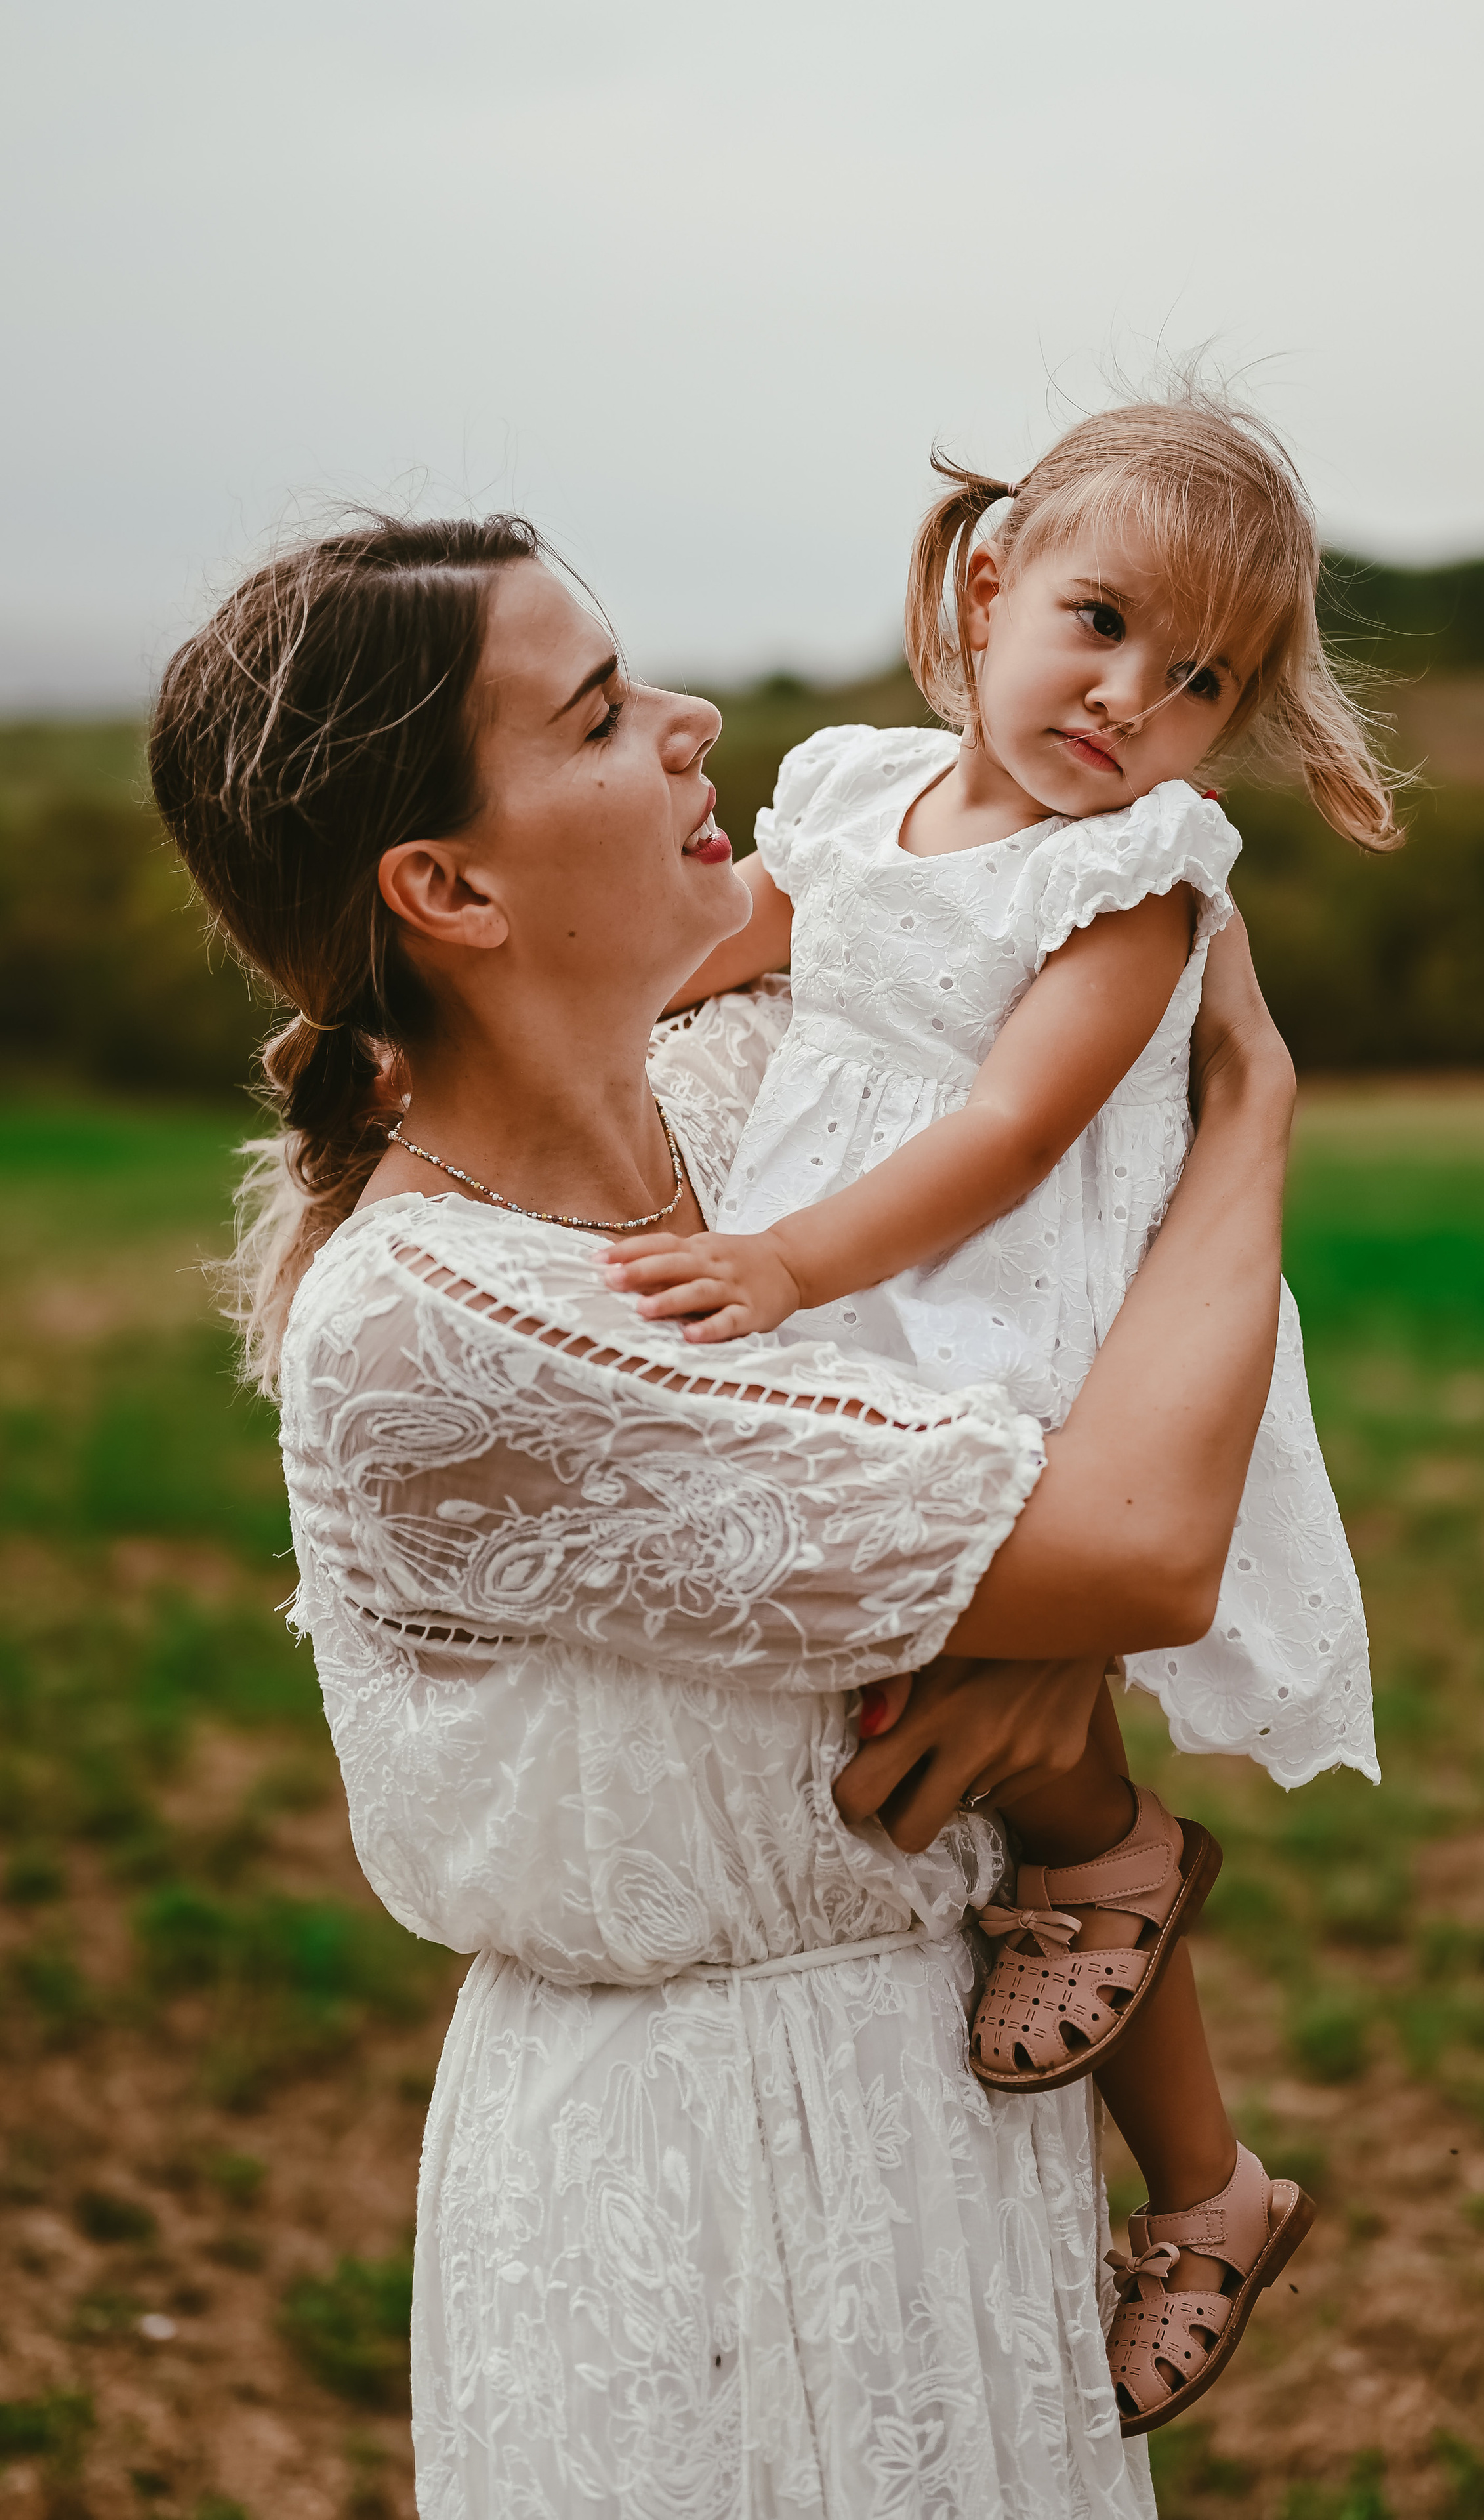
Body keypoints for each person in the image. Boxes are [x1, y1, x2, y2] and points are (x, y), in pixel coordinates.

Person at [150, 509, 1300, 2518]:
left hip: (950, 2127)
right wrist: (1261, 1109)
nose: (691, 726)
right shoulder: (435, 1335)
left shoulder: (760, 1088)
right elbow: (1137, 1536)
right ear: (447, 885)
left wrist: (1048, 1628)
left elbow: (1072, 1253)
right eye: (601, 715)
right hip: (690, 2193)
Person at [600, 394, 1391, 2427]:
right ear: (986, 587)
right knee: (916, 1682)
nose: (1132, 697)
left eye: (1201, 676)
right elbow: (754, 941)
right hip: (873, 1265)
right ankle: (1197, 2147)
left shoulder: (1137, 878)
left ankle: (1171, 2054)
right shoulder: (859, 788)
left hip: (1021, 1304)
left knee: (1028, 1701)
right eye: (1104, 621)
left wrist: (784, 1268)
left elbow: (1022, 1131)